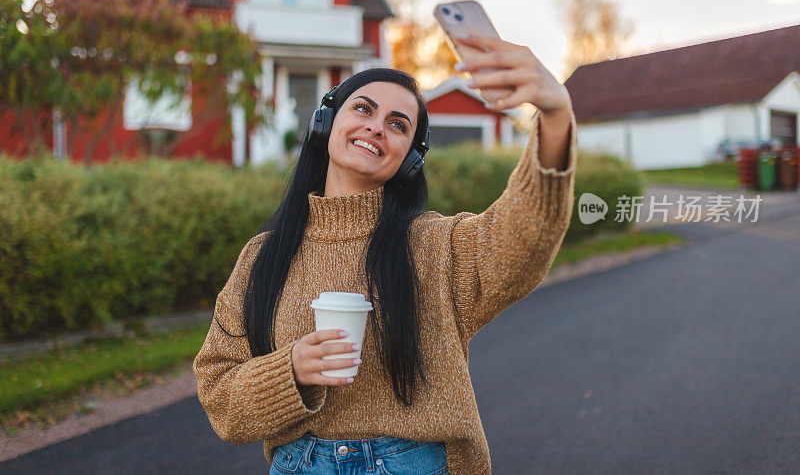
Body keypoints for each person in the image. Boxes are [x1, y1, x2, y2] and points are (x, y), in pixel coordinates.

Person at [193, 35, 578, 475]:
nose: (377, 127)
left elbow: (525, 235)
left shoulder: (436, 246)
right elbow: (220, 396)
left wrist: (556, 117)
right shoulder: (262, 257)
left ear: (410, 159)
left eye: (398, 124)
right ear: (326, 122)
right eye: (363, 108)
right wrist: (291, 371)